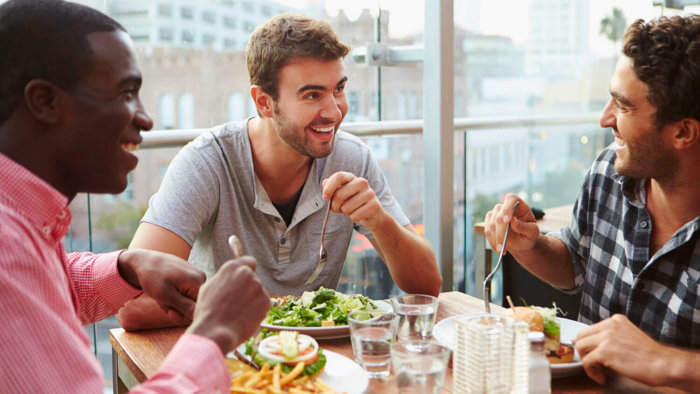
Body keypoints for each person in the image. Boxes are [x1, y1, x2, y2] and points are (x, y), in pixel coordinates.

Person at [0, 1, 271, 392]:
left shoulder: (21, 221)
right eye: (126, 93)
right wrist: (214, 334)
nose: (145, 118)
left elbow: (39, 292)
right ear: (45, 102)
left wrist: (127, 266)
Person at [117, 14, 441, 331]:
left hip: (321, 362)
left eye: (339, 90)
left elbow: (428, 286)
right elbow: (129, 306)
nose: (334, 111)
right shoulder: (205, 163)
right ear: (264, 102)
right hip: (224, 357)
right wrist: (271, 308)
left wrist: (380, 222)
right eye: (312, 95)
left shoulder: (351, 157)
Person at [484, 15, 700, 391]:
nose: (604, 119)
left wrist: (666, 360)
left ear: (683, 131)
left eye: (624, 106)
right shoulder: (608, 172)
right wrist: (531, 246)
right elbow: (577, 262)